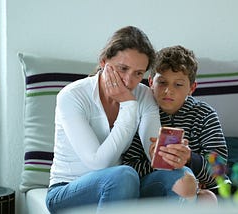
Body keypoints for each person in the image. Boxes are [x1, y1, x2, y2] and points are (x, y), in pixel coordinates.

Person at [45, 26, 161, 213]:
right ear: (103, 62)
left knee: (180, 176)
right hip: (65, 191)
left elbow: (154, 154)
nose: (129, 81)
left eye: (138, 73)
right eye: (123, 68)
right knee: (125, 175)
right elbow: (98, 163)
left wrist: (170, 156)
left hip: (118, 187)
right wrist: (129, 105)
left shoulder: (144, 95)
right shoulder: (72, 96)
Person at [122, 45, 228, 204]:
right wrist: (158, 161)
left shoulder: (205, 115)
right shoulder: (140, 114)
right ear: (151, 82)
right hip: (158, 186)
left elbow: (218, 170)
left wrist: (189, 159)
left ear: (192, 88)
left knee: (208, 199)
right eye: (162, 82)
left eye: (178, 84)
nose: (168, 91)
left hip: (203, 187)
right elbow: (128, 168)